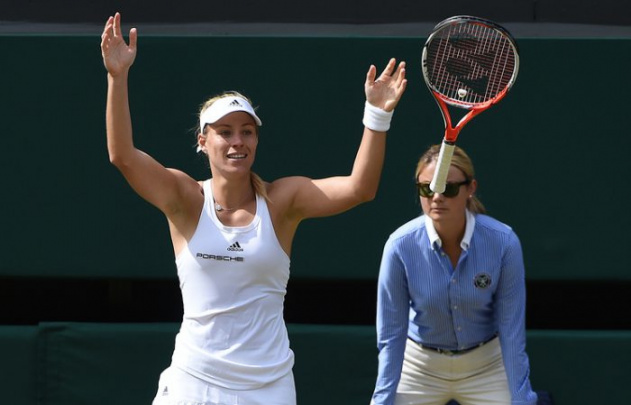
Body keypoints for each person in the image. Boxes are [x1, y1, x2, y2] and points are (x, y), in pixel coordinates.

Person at [100, 12, 407, 405]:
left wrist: (378, 115)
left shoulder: (282, 202)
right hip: (194, 382)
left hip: (268, 387)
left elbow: (360, 188)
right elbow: (123, 156)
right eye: (225, 132)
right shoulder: (185, 198)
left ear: (257, 141)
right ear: (202, 141)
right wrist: (117, 76)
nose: (237, 142)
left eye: (246, 132)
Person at [371, 145, 538, 405]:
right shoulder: (399, 246)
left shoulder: (504, 242)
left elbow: (512, 331)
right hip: (419, 368)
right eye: (427, 188)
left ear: (470, 188)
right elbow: (391, 334)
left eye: (448, 188)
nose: (437, 197)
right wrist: (381, 400)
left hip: (487, 367)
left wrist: (521, 398)